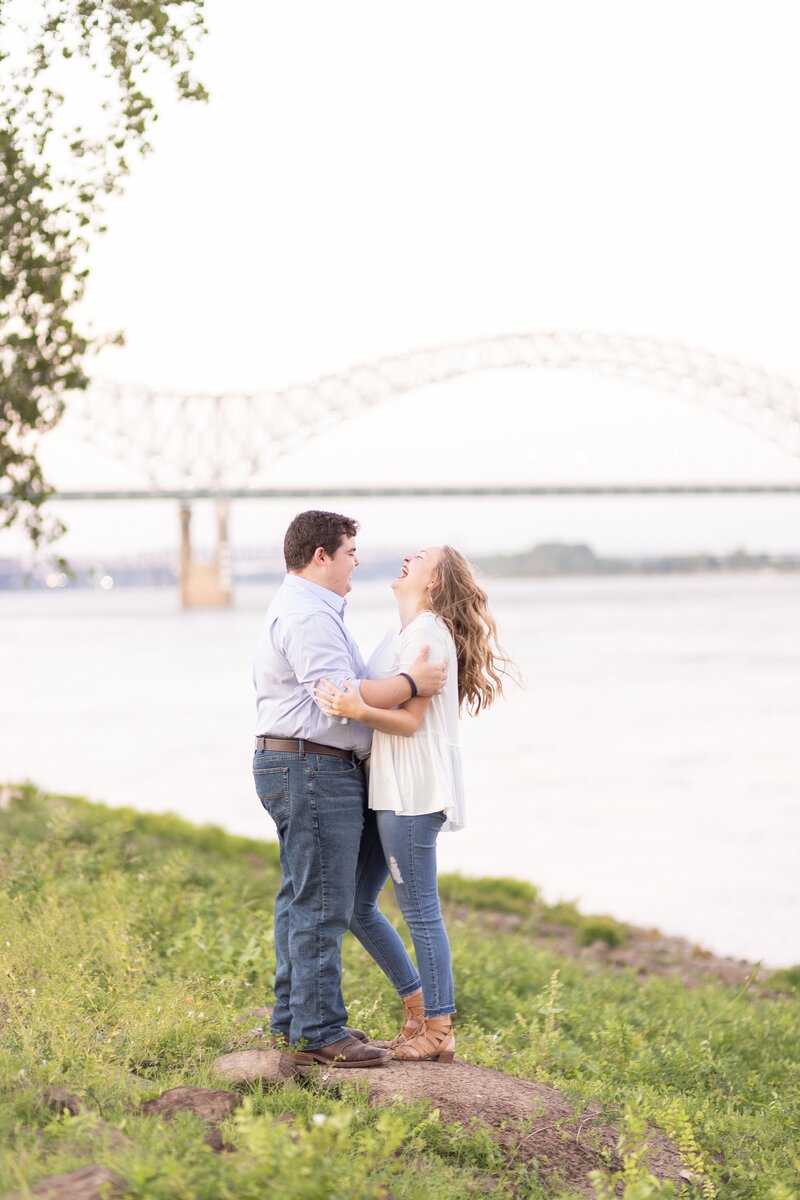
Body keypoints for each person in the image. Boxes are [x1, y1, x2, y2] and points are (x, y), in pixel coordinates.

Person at [252, 510, 448, 1069]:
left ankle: (293, 1021)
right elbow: (339, 696)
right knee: (322, 903)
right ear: (322, 556)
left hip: (301, 763)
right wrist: (413, 684)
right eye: (349, 553)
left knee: (301, 897)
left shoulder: (307, 609)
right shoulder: (307, 615)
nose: (356, 562)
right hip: (312, 766)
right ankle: (320, 1032)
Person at [316, 545, 511, 1063]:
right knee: (356, 906)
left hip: (410, 792)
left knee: (421, 911)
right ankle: (417, 1005)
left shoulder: (426, 634)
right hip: (389, 789)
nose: (407, 556)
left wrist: (354, 706)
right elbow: (390, 694)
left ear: (436, 580)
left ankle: (438, 1028)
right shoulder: (405, 632)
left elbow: (408, 720)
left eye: (420, 556)